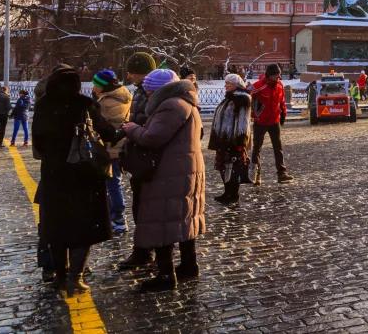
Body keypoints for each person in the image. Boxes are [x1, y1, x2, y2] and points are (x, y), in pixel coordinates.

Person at [32, 65, 122, 296]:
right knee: (84, 226)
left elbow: (38, 144)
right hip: (84, 176)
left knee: (57, 227)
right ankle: (76, 277)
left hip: (54, 176)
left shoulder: (43, 105)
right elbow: (107, 132)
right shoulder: (85, 104)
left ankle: (60, 277)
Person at [121, 68, 206, 292]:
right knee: (183, 217)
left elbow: (152, 137)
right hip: (184, 169)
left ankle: (166, 275)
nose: (147, 95)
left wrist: (132, 129)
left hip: (169, 172)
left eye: (149, 91)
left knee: (162, 220)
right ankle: (189, 265)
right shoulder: (186, 102)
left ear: (157, 91)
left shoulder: (171, 106)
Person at [117, 51, 157, 270]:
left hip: (145, 156)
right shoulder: (142, 91)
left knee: (145, 207)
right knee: (140, 206)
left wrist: (131, 129)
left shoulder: (151, 93)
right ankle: (143, 249)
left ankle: (145, 251)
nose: (129, 76)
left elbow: (146, 122)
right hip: (139, 153)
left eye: (132, 72)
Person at [92, 70, 132, 234]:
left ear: (103, 86)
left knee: (112, 184)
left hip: (110, 148)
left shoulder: (107, 103)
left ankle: (118, 218)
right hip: (118, 146)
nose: (93, 87)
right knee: (113, 183)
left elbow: (101, 126)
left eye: (96, 84)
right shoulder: (122, 96)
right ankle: (114, 216)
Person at [209, 74, 253, 206]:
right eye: (226, 83)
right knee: (224, 167)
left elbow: (243, 122)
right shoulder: (229, 98)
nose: (226, 85)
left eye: (229, 83)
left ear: (237, 85)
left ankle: (233, 194)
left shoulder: (242, 99)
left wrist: (240, 140)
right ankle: (227, 192)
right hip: (223, 139)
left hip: (233, 140)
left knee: (233, 168)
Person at [250, 63, 293, 184]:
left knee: (278, 148)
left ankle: (282, 173)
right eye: (276, 75)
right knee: (257, 148)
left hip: (274, 121)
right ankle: (255, 174)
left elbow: (282, 100)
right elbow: (247, 94)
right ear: (269, 75)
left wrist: (284, 113)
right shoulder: (259, 85)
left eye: (279, 75)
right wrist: (253, 112)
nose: (278, 78)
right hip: (261, 122)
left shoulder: (279, 85)